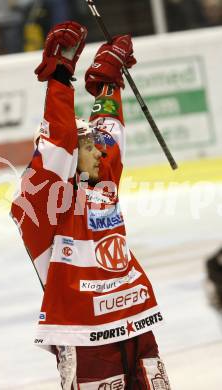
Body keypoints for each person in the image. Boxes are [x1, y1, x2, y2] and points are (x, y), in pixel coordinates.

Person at [11, 21, 171, 389]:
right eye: (87, 144)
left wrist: (107, 82)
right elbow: (59, 142)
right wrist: (60, 76)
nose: (96, 148)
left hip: (135, 321)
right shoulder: (39, 204)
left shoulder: (101, 180)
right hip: (84, 338)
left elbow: (109, 129)